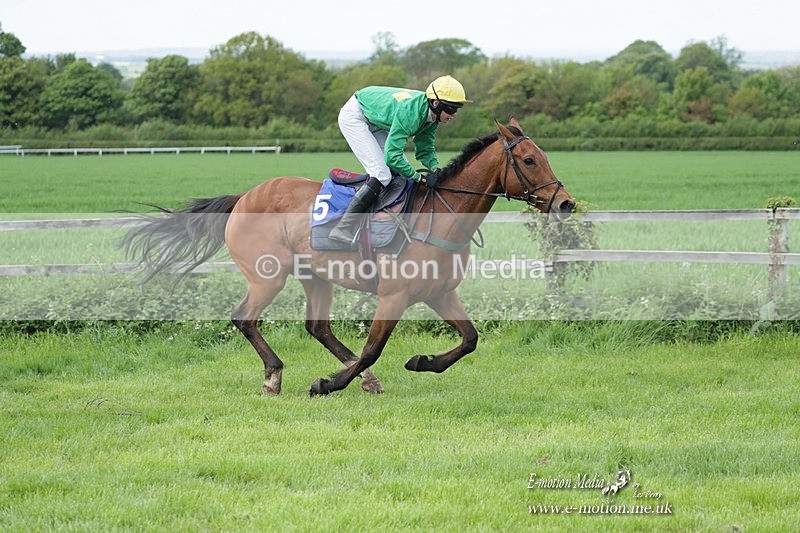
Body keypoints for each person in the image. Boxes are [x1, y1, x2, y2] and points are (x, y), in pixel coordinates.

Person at [329, 75, 471, 245]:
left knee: (401, 173)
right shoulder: (410, 113)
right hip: (356, 116)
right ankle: (343, 227)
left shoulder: (432, 116)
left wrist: (434, 168)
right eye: (451, 109)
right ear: (435, 103)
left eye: (457, 109)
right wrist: (418, 177)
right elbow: (392, 157)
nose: (454, 114)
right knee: (382, 175)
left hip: (378, 121)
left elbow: (425, 147)